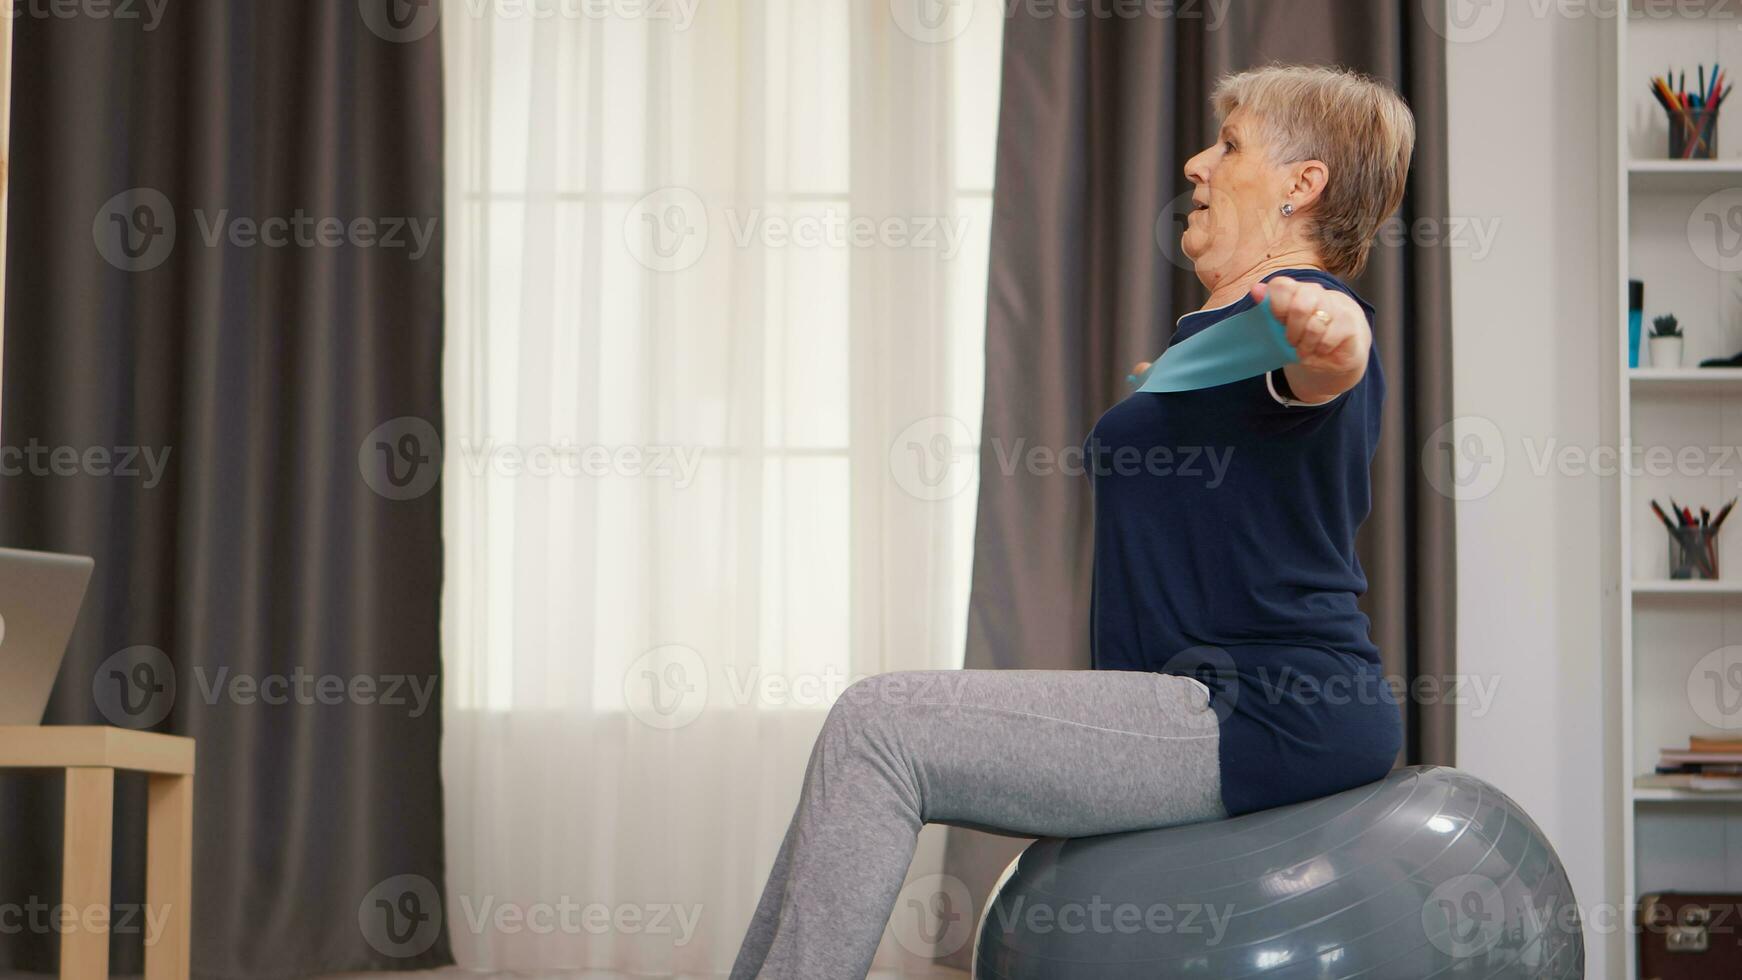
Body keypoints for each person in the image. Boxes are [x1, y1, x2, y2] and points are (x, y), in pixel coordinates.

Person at [730, 63, 1416, 980]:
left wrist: (1331, 329)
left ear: (1303, 185)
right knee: (873, 728)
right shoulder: (1222, 338)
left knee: (880, 725)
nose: (1197, 161)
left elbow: (1334, 356)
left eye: (1232, 144)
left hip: (1269, 707)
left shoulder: (1292, 322)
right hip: (1218, 701)